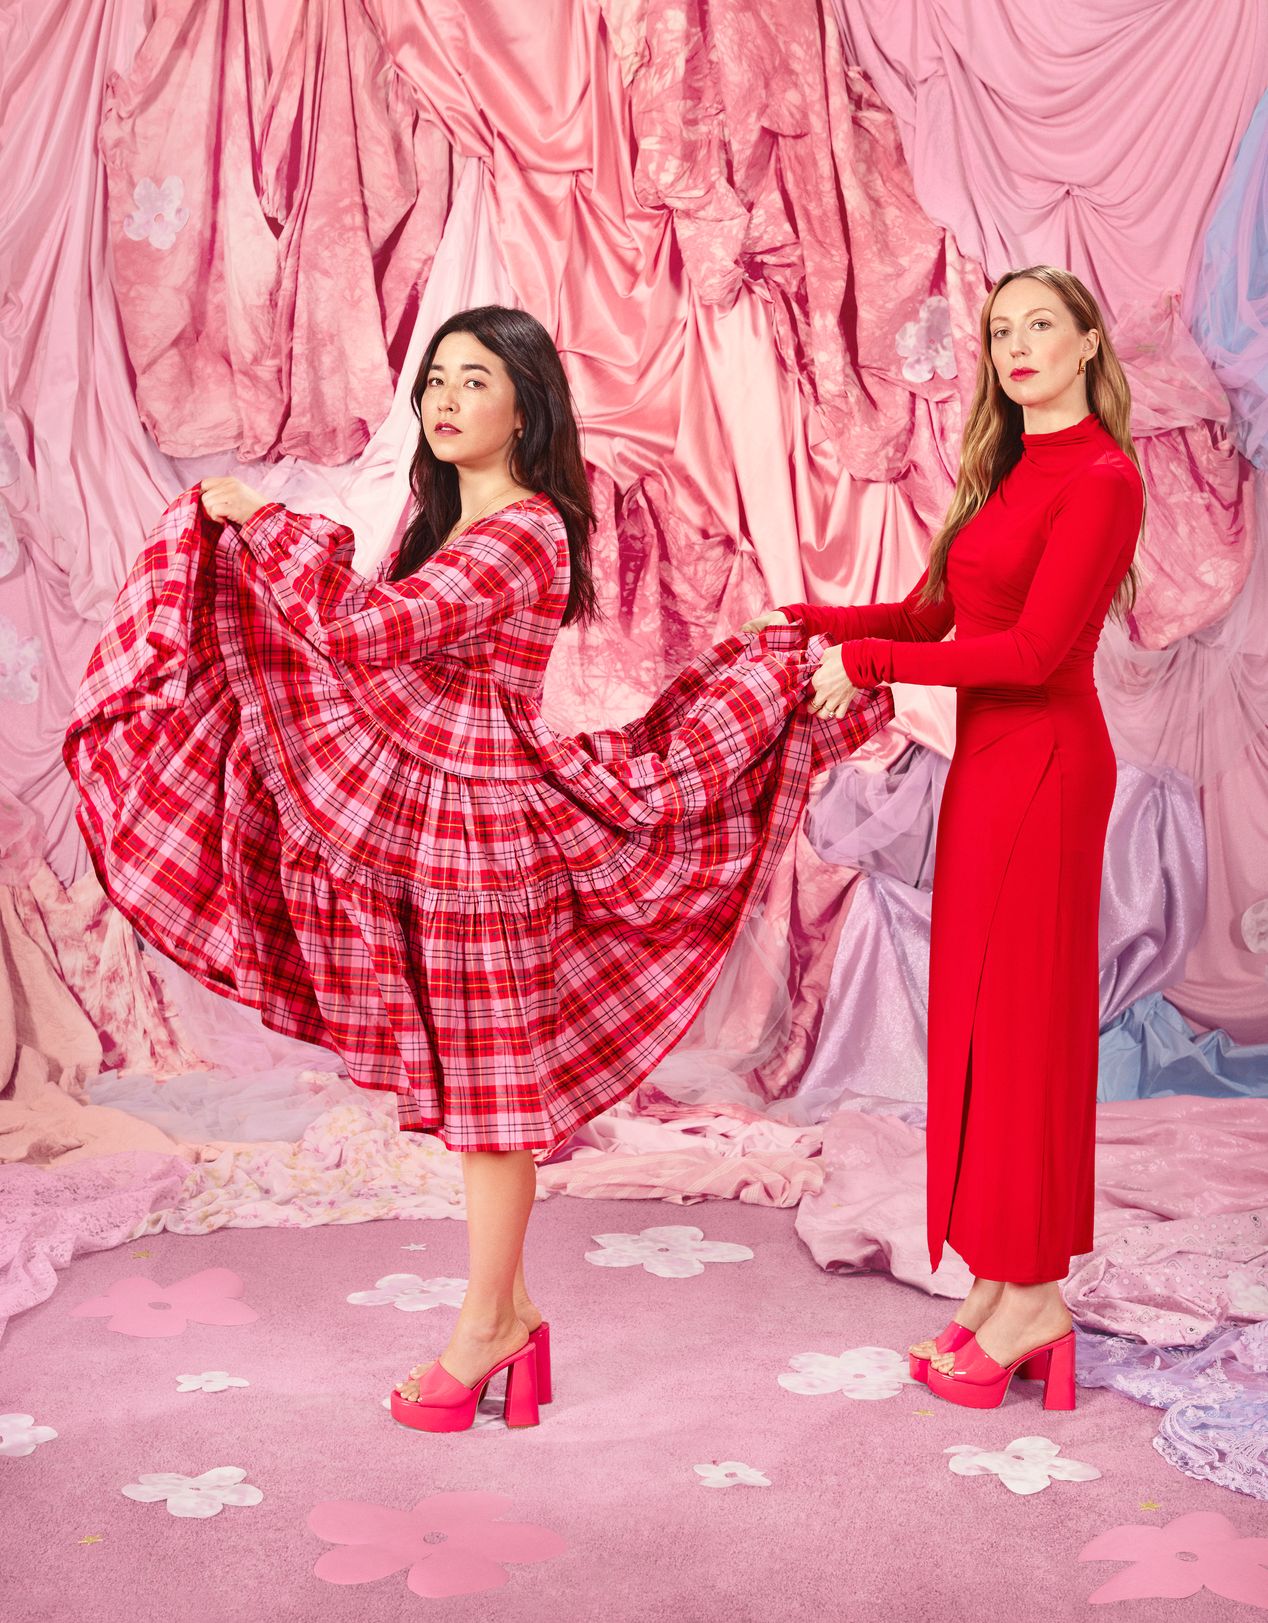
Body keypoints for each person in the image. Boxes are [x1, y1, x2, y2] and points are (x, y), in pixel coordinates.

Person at [66, 305, 891, 1433]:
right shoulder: (459, 522)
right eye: (436, 381)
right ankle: (503, 1319)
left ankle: (489, 1326)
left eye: (473, 381)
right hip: (441, 824)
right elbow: (378, 655)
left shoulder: (525, 532)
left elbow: (363, 633)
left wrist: (267, 525)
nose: (446, 400)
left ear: (525, 405)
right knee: (477, 1098)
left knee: (491, 1102)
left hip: (481, 837)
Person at [745, 266, 1144, 1410]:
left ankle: (1034, 1297)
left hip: (1049, 770)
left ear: (1082, 346)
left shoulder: (1103, 481)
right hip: (988, 774)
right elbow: (933, 619)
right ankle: (1002, 1278)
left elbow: (1026, 658)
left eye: (1038, 328)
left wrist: (865, 667)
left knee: (1024, 1033)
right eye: (999, 329)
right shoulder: (1006, 472)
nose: (1015, 345)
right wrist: (815, 623)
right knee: (978, 1030)